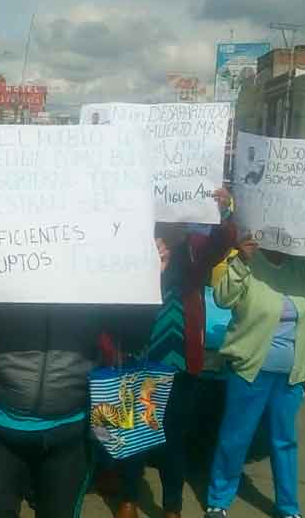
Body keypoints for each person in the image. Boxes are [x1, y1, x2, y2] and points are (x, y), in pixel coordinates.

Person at [0, 227, 165, 518]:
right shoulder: (1, 238)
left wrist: (149, 278)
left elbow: (133, 339)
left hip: (70, 430)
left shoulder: (98, 249)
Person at [204, 209, 305, 518]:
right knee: (235, 439)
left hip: (290, 376)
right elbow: (222, 298)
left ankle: (288, 507)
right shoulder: (248, 261)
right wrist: (241, 261)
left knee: (284, 442)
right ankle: (218, 500)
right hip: (249, 372)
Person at [115, 189, 236, 518]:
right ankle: (128, 497)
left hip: (180, 359)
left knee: (175, 436)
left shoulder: (197, 248)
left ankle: (172, 506)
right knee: (133, 431)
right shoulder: (135, 241)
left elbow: (222, 243)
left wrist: (223, 213)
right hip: (140, 352)